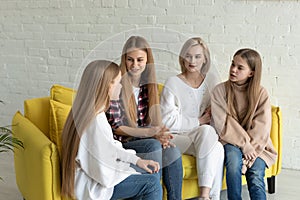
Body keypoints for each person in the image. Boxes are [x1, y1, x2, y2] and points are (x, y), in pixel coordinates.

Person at [61, 60, 162, 200]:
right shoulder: (94, 122)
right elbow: (103, 174)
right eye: (118, 82)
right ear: (107, 86)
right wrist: (127, 168)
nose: (121, 86)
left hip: (98, 176)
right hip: (93, 186)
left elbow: (110, 148)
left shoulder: (93, 112)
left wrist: (136, 160)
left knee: (150, 172)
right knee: (151, 183)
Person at [105, 36, 183, 200]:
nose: (135, 65)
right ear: (124, 60)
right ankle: (151, 193)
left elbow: (155, 122)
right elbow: (116, 127)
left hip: (147, 138)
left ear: (147, 60)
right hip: (123, 141)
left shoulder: (149, 85)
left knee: (172, 150)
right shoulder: (116, 83)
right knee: (153, 145)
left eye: (140, 60)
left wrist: (161, 136)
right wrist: (150, 133)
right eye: (130, 60)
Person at [160, 37, 224, 200]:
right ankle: (207, 196)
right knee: (207, 134)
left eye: (197, 56)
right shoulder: (173, 82)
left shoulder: (211, 81)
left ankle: (208, 197)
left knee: (217, 148)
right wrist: (198, 121)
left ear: (205, 59)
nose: (192, 61)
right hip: (176, 137)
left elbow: (217, 113)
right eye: (188, 56)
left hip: (203, 137)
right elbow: (167, 121)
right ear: (182, 58)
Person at [210, 48, 278, 200]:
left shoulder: (261, 93)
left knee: (255, 175)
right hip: (230, 140)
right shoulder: (219, 91)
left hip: (258, 147)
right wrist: (244, 145)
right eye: (233, 64)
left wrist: (248, 160)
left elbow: (261, 128)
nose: (233, 70)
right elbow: (224, 123)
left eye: (240, 67)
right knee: (233, 166)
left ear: (251, 73)